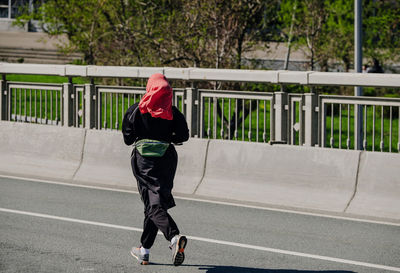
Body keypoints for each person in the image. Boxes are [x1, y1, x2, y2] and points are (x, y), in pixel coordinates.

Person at [122, 73, 189, 266]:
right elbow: (183, 136)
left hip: (144, 161)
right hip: (167, 159)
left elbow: (127, 139)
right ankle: (144, 250)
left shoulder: (136, 110)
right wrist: (168, 137)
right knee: (154, 203)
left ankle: (174, 237)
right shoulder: (174, 112)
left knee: (153, 205)